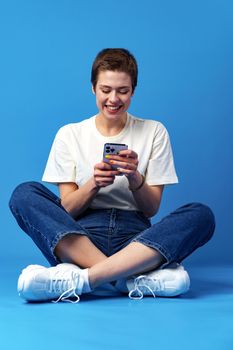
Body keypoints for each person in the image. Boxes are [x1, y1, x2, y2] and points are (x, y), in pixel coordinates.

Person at [9, 48, 215, 303]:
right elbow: (67, 211)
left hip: (136, 240)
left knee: (201, 215)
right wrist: (93, 184)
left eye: (123, 91)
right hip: (80, 237)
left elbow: (151, 209)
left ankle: (83, 278)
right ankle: (126, 278)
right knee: (24, 193)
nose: (114, 99)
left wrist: (135, 179)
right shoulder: (69, 134)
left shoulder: (154, 131)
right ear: (93, 88)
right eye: (106, 90)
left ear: (133, 91)